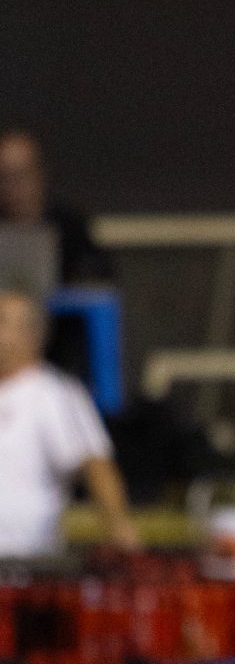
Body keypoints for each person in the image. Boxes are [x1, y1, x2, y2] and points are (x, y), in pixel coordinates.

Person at [0, 289, 138, 555]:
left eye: (2, 321)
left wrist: (119, 529)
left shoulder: (54, 394)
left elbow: (94, 465)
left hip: (27, 560)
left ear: (32, 335)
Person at [0, 128, 114, 285]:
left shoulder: (69, 224)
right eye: (4, 178)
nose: (11, 188)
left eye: (20, 176)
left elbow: (98, 273)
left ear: (40, 175)